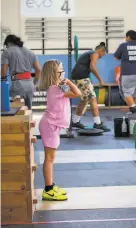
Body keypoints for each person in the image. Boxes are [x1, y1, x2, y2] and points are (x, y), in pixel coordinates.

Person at [38, 60, 81, 201]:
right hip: (50, 126)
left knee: (51, 158)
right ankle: (48, 189)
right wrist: (68, 82)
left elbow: (76, 94)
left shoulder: (57, 87)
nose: (63, 73)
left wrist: (66, 83)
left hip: (52, 125)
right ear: (54, 73)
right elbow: (78, 93)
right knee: (49, 158)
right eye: (61, 70)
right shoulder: (56, 89)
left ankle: (50, 185)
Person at [70, 42, 110, 131]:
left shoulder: (88, 53)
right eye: (102, 54)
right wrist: (100, 80)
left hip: (77, 77)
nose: (101, 57)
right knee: (92, 99)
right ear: (101, 51)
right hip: (82, 78)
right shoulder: (94, 53)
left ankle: (75, 121)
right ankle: (97, 123)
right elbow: (92, 67)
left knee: (84, 100)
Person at [1, 34, 41, 109]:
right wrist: (34, 83)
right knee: (28, 112)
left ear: (8, 43)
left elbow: (3, 72)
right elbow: (38, 70)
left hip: (17, 85)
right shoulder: (30, 52)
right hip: (30, 84)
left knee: (16, 111)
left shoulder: (7, 52)